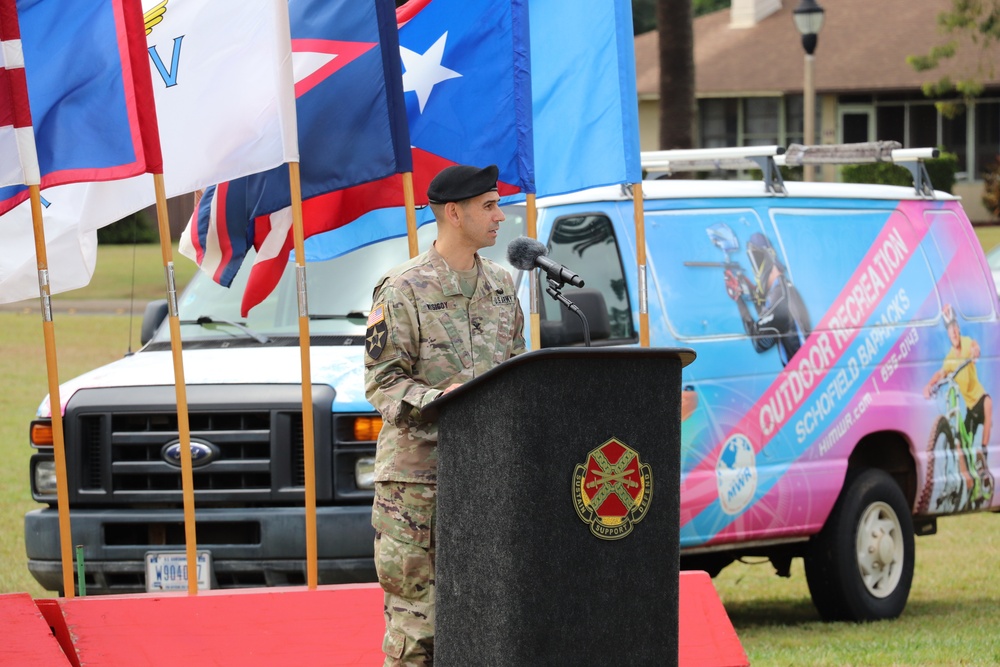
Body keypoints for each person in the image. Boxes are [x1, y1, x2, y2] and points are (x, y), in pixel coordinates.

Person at [364, 164, 526, 666]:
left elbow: (518, 374)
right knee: (420, 630)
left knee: (487, 621)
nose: (501, 216)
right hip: (420, 489)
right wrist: (445, 402)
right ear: (454, 214)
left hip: (489, 481)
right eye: (489, 206)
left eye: (498, 205)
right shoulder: (403, 288)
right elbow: (383, 383)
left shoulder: (502, 285)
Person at [923, 304, 992, 503]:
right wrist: (929, 384)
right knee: (960, 441)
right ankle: (967, 479)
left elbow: (975, 346)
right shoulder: (950, 358)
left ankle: (984, 453)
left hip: (979, 399)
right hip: (969, 408)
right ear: (947, 334)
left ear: (959, 330)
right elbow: (941, 373)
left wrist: (975, 352)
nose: (953, 332)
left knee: (988, 404)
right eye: (949, 330)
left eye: (955, 328)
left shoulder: (967, 342)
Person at [724, 232, 811, 366]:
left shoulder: (780, 298)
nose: (755, 270)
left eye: (756, 260)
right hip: (803, 374)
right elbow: (769, 319)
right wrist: (750, 290)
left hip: (802, 376)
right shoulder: (783, 289)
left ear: (768, 257)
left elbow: (759, 342)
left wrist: (738, 299)